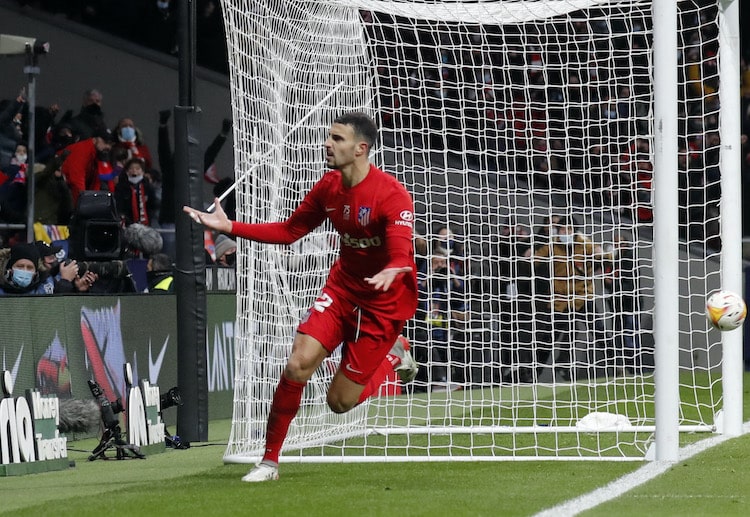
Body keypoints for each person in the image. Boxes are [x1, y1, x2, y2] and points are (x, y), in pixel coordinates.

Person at [183, 111, 419, 482]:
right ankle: (269, 462)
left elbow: (401, 249)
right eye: (328, 137)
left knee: (339, 402)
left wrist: (395, 266)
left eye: (337, 139)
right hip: (342, 290)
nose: (327, 144)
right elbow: (290, 230)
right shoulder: (328, 187)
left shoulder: (391, 194)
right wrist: (230, 226)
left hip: (382, 302)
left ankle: (393, 360)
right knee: (297, 364)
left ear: (361, 149)